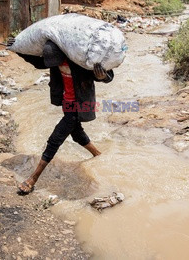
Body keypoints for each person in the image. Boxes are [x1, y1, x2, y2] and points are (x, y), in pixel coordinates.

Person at [11, 40, 114, 194]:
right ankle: (98, 155)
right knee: (77, 133)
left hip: (80, 104)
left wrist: (102, 76)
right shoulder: (53, 59)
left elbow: (107, 75)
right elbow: (39, 63)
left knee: (55, 139)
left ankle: (33, 178)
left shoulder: (79, 60)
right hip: (67, 103)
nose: (54, 64)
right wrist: (17, 48)